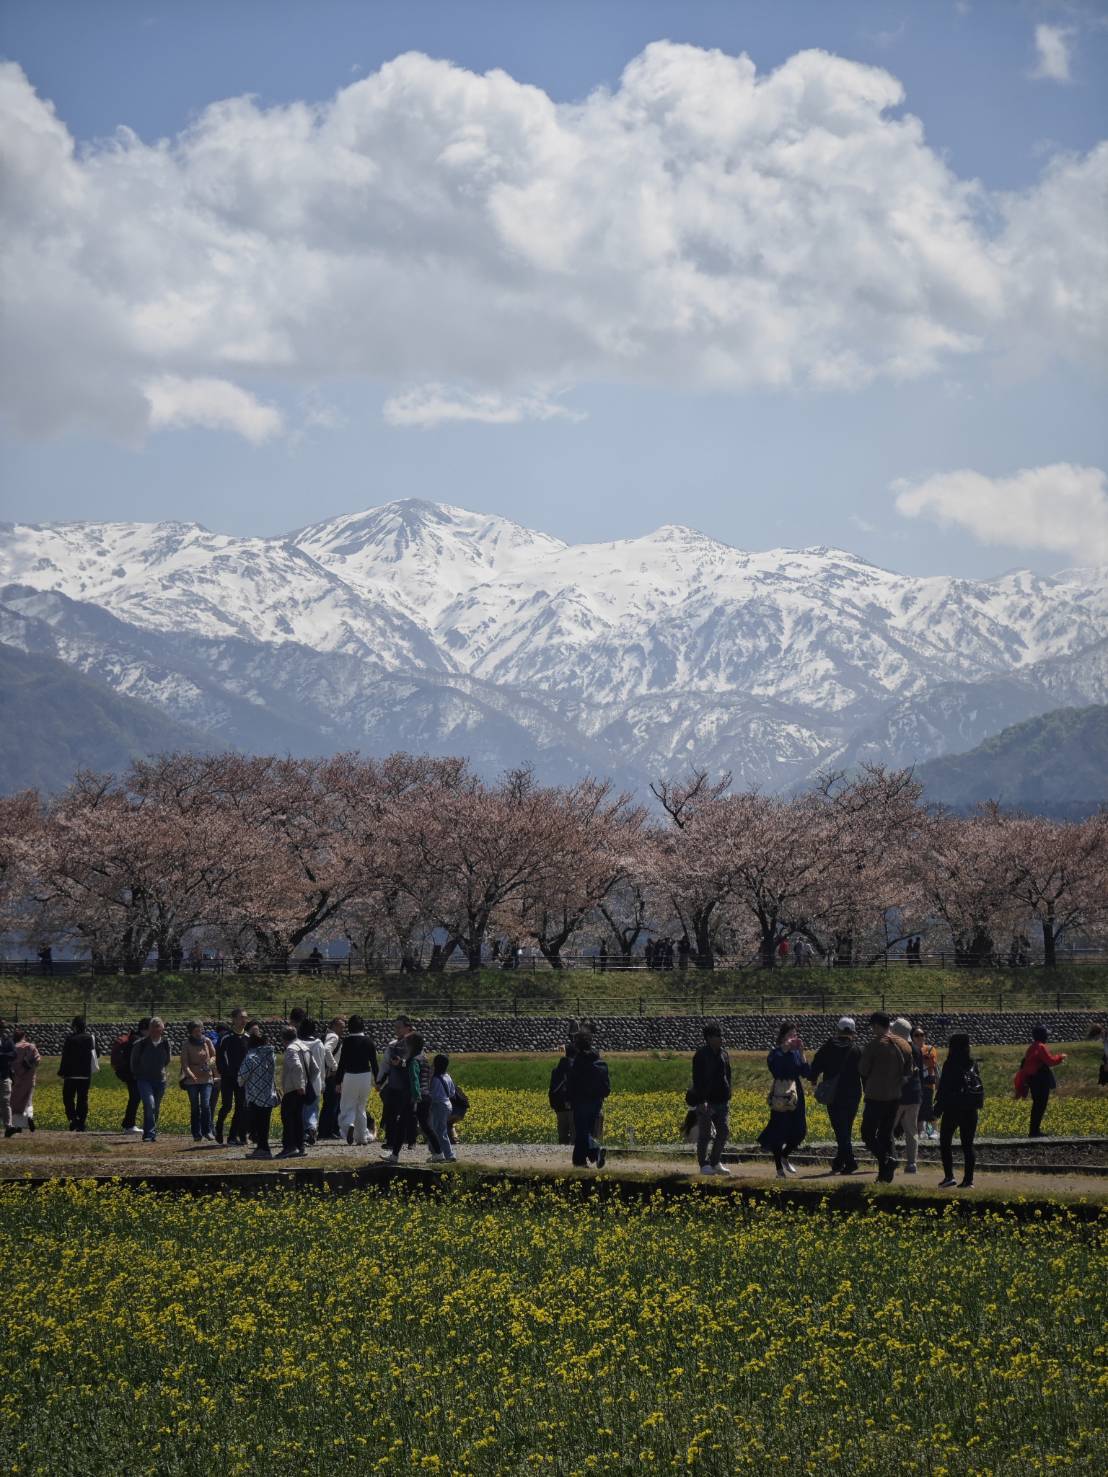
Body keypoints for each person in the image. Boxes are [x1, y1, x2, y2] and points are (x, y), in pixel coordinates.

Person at [858, 1011, 913, 1182]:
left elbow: (862, 1070)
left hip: (875, 1097)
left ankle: (887, 1160)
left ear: (876, 1026)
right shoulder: (905, 1045)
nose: (872, 1031)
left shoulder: (873, 1046)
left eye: (873, 1027)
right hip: (895, 1097)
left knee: (867, 1134)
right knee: (885, 1135)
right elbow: (908, 1072)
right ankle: (884, 1176)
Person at [809, 1017, 862, 1174]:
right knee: (845, 1128)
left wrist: (813, 1079)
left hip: (834, 1095)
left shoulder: (828, 1047)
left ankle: (850, 1162)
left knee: (840, 1129)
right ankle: (839, 1162)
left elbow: (816, 1065)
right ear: (852, 1032)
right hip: (853, 1094)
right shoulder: (857, 1050)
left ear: (837, 1030)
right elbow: (865, 1072)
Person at [758, 1020, 810, 1177]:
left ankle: (785, 1155)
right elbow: (775, 1069)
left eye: (795, 1035)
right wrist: (784, 1049)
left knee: (801, 1130)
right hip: (780, 1093)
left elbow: (806, 1073)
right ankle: (779, 1168)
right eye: (790, 1035)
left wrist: (802, 1054)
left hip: (795, 1093)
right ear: (782, 1037)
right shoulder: (775, 1053)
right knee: (778, 1130)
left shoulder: (796, 1053)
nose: (793, 1038)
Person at [935, 1033, 984, 1188]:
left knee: (945, 1142)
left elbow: (943, 1090)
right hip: (971, 1109)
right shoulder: (972, 1063)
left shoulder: (950, 1064)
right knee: (968, 1145)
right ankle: (968, 1181)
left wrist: (936, 1111)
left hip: (953, 1109)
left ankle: (949, 1177)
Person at [691, 1023, 732, 1176]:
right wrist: (701, 1101)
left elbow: (728, 1075)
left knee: (723, 1132)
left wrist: (729, 1093)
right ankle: (703, 1164)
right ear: (709, 1038)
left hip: (722, 1100)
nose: (721, 1038)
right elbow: (697, 1080)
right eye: (718, 1036)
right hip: (706, 1101)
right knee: (705, 1134)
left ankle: (715, 1162)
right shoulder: (701, 1055)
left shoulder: (724, 1054)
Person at [565, 1029, 610, 1169]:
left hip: (580, 1102)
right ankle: (585, 1159)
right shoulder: (598, 1060)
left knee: (582, 1131)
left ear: (577, 1045)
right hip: (597, 1102)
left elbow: (571, 1083)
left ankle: (592, 1153)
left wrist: (568, 1099)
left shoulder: (577, 1063)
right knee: (586, 1131)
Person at [1014, 1025, 1067, 1137]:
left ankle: (1034, 1130)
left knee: (1037, 1104)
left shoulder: (1032, 1047)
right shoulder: (1041, 1046)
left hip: (1033, 1080)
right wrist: (1061, 1057)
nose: (1047, 1036)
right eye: (1046, 1034)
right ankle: (1034, 1131)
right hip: (1040, 1079)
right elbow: (1050, 1061)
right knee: (1040, 1105)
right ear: (1042, 1035)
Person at [336, 1014, 378, 1147]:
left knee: (347, 1105)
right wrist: (378, 1080)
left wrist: (338, 1081)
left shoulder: (347, 1042)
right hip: (365, 1076)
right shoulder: (369, 1041)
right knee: (361, 1107)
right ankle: (362, 1137)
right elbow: (374, 1063)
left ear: (349, 1027)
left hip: (350, 1075)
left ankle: (349, 1126)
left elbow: (342, 1063)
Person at [239, 1025, 279, 1159]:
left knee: (256, 1125)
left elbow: (241, 1077)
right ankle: (263, 1148)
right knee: (264, 1124)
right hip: (268, 1095)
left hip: (254, 1095)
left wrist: (240, 1082)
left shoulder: (251, 1057)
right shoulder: (271, 1055)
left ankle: (263, 1149)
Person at [130, 1017, 172, 1142]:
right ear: (149, 1029)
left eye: (158, 1028)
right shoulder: (140, 1044)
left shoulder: (166, 1043)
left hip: (160, 1080)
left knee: (155, 1107)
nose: (156, 1031)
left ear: (162, 1029)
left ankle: (151, 1132)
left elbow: (167, 1060)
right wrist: (138, 1074)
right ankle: (149, 1134)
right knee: (149, 1104)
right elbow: (133, 1062)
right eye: (153, 1028)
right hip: (144, 1080)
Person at [377, 1015, 414, 1157]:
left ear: (407, 1028)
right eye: (395, 1027)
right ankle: (390, 1140)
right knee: (390, 1113)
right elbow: (385, 1064)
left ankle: (411, 1140)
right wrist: (379, 1081)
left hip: (408, 1085)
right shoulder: (392, 1045)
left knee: (409, 1115)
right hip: (394, 1084)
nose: (396, 1029)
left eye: (399, 1027)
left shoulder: (414, 1045)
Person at [891, 1017, 923, 1175]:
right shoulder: (916, 1049)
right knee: (911, 1130)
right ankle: (912, 1164)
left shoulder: (897, 1048)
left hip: (898, 1095)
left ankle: (892, 1159)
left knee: (887, 1129)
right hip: (915, 1094)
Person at [215, 1007, 250, 1146]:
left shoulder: (248, 1038)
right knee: (227, 1105)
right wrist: (225, 1072)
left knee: (241, 1107)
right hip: (229, 1078)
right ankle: (219, 1127)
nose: (244, 1020)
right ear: (234, 1019)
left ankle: (232, 1136)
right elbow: (219, 1058)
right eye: (241, 1017)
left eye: (245, 1017)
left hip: (243, 1079)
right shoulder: (226, 1038)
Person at [180, 1018, 219, 1143]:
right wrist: (191, 1075)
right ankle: (196, 1133)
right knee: (195, 1106)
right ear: (191, 1032)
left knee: (206, 1105)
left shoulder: (207, 1041)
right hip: (192, 1079)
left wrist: (210, 1063)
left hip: (207, 1077)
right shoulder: (186, 1044)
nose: (198, 1033)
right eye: (196, 1031)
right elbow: (184, 1063)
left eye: (200, 1030)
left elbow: (214, 1055)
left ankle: (207, 1130)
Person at [407, 1033, 444, 1161]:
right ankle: (438, 1153)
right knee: (426, 1126)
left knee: (425, 1126)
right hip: (427, 1095)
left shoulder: (414, 1061)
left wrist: (416, 1096)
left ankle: (439, 1153)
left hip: (419, 1096)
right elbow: (427, 1077)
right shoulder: (425, 1059)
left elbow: (414, 1079)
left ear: (411, 1046)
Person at [58, 1016, 98, 1132]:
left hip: (71, 1074)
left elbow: (65, 1057)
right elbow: (97, 1054)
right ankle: (81, 1122)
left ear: (74, 1026)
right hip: (85, 1074)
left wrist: (62, 1071)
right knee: (83, 1098)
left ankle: (72, 1119)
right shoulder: (91, 1038)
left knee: (68, 1097)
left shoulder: (70, 1039)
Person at [278, 1025, 311, 1158]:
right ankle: (300, 1146)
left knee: (287, 1117)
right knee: (298, 1118)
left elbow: (297, 1067)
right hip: (303, 1088)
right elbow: (314, 1066)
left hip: (293, 1088)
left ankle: (290, 1147)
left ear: (283, 1038)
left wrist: (299, 1085)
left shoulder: (291, 1049)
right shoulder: (304, 1047)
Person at [112, 1018, 149, 1135]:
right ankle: (129, 1125)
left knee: (135, 1098)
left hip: (131, 1074)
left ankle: (128, 1124)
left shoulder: (134, 1038)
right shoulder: (137, 1040)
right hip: (133, 1075)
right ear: (145, 1029)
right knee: (135, 1098)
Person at [296, 1018, 326, 1146]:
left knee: (301, 1108)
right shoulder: (318, 1043)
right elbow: (321, 1065)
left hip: (300, 1081)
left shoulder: (297, 1043)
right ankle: (312, 1128)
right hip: (315, 1080)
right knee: (313, 1107)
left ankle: (304, 1133)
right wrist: (323, 1082)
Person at [7, 1028, 41, 1135]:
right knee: (28, 1100)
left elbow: (9, 1063)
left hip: (17, 1079)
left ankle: (18, 1126)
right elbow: (38, 1060)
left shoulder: (13, 1048)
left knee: (15, 1103)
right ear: (24, 1036)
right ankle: (30, 1116)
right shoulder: (31, 1047)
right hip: (30, 1079)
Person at [319, 1016, 347, 1140]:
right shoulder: (334, 1037)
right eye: (341, 1027)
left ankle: (324, 1131)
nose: (343, 1029)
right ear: (334, 1026)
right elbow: (326, 1050)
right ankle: (328, 1131)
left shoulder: (327, 1035)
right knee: (333, 1103)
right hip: (332, 1076)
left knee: (329, 1104)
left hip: (327, 1074)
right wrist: (335, 1067)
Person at [429, 1054, 458, 1164]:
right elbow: (452, 1093)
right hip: (447, 1105)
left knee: (440, 1131)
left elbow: (432, 1095)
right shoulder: (447, 1076)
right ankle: (436, 1153)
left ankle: (449, 1155)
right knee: (436, 1130)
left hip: (438, 1106)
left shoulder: (435, 1079)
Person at [913, 1026, 939, 1140]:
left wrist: (938, 1080)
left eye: (922, 1034)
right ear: (912, 1037)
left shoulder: (931, 1049)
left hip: (928, 1083)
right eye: (917, 1035)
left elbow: (935, 1067)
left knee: (928, 1106)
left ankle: (934, 1130)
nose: (920, 1037)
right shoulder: (910, 1049)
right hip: (915, 1082)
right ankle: (921, 1130)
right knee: (918, 1107)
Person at [549, 1042, 576, 1145]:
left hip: (559, 1107)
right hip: (573, 1106)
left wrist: (554, 1105)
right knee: (575, 1136)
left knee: (562, 1136)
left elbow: (552, 1089)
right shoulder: (576, 1069)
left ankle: (561, 1157)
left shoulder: (556, 1070)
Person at [0, 1021, 15, 1136]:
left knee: (6, 1101)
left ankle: (8, 1126)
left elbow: (14, 1054)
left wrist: (2, 1056)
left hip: (4, 1075)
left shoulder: (7, 1041)